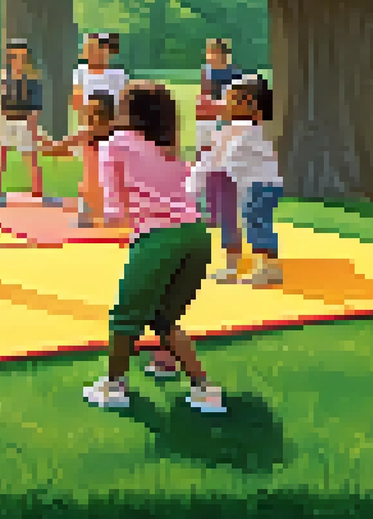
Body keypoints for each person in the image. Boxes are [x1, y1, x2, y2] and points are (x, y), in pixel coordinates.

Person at [83, 82, 225, 414]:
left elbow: (114, 209)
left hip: (158, 238)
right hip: (196, 236)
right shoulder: (169, 148)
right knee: (164, 320)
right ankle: (205, 390)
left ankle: (113, 386)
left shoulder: (115, 143)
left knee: (124, 318)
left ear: (129, 111)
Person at [188, 74, 285, 286]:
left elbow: (221, 157)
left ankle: (270, 268)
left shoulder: (252, 130)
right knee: (229, 223)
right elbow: (210, 159)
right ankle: (233, 266)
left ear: (250, 106)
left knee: (256, 222)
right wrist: (194, 185)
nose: (224, 103)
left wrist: (195, 183)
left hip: (259, 186)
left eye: (231, 99)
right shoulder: (228, 131)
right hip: (234, 184)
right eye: (226, 97)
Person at [195, 39, 244, 277]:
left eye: (213, 51)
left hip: (223, 125)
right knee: (210, 171)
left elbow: (232, 105)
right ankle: (210, 211)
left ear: (223, 53)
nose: (209, 55)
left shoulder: (234, 74)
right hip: (209, 124)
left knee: (224, 180)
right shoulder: (207, 71)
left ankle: (232, 245)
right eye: (208, 52)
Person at [71, 33, 126, 226]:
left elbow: (122, 104)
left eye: (96, 48)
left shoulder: (118, 75)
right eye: (88, 48)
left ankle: (111, 212)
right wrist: (89, 123)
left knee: (112, 170)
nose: (92, 53)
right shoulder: (80, 73)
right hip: (90, 128)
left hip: (112, 129)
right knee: (90, 171)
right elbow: (77, 101)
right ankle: (85, 213)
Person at [41, 92, 117, 227]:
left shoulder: (118, 139)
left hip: (110, 200)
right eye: (88, 113)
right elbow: (55, 149)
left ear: (110, 118)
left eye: (97, 113)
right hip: (88, 197)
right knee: (83, 229)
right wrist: (40, 139)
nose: (91, 118)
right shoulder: (85, 135)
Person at [0, 39, 46, 205]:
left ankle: (38, 194)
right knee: (0, 157)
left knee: (30, 158)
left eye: (21, 56)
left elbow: (36, 103)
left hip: (25, 121)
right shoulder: (6, 76)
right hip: (8, 120)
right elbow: (2, 98)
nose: (17, 60)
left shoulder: (32, 78)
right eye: (14, 56)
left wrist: (32, 122)